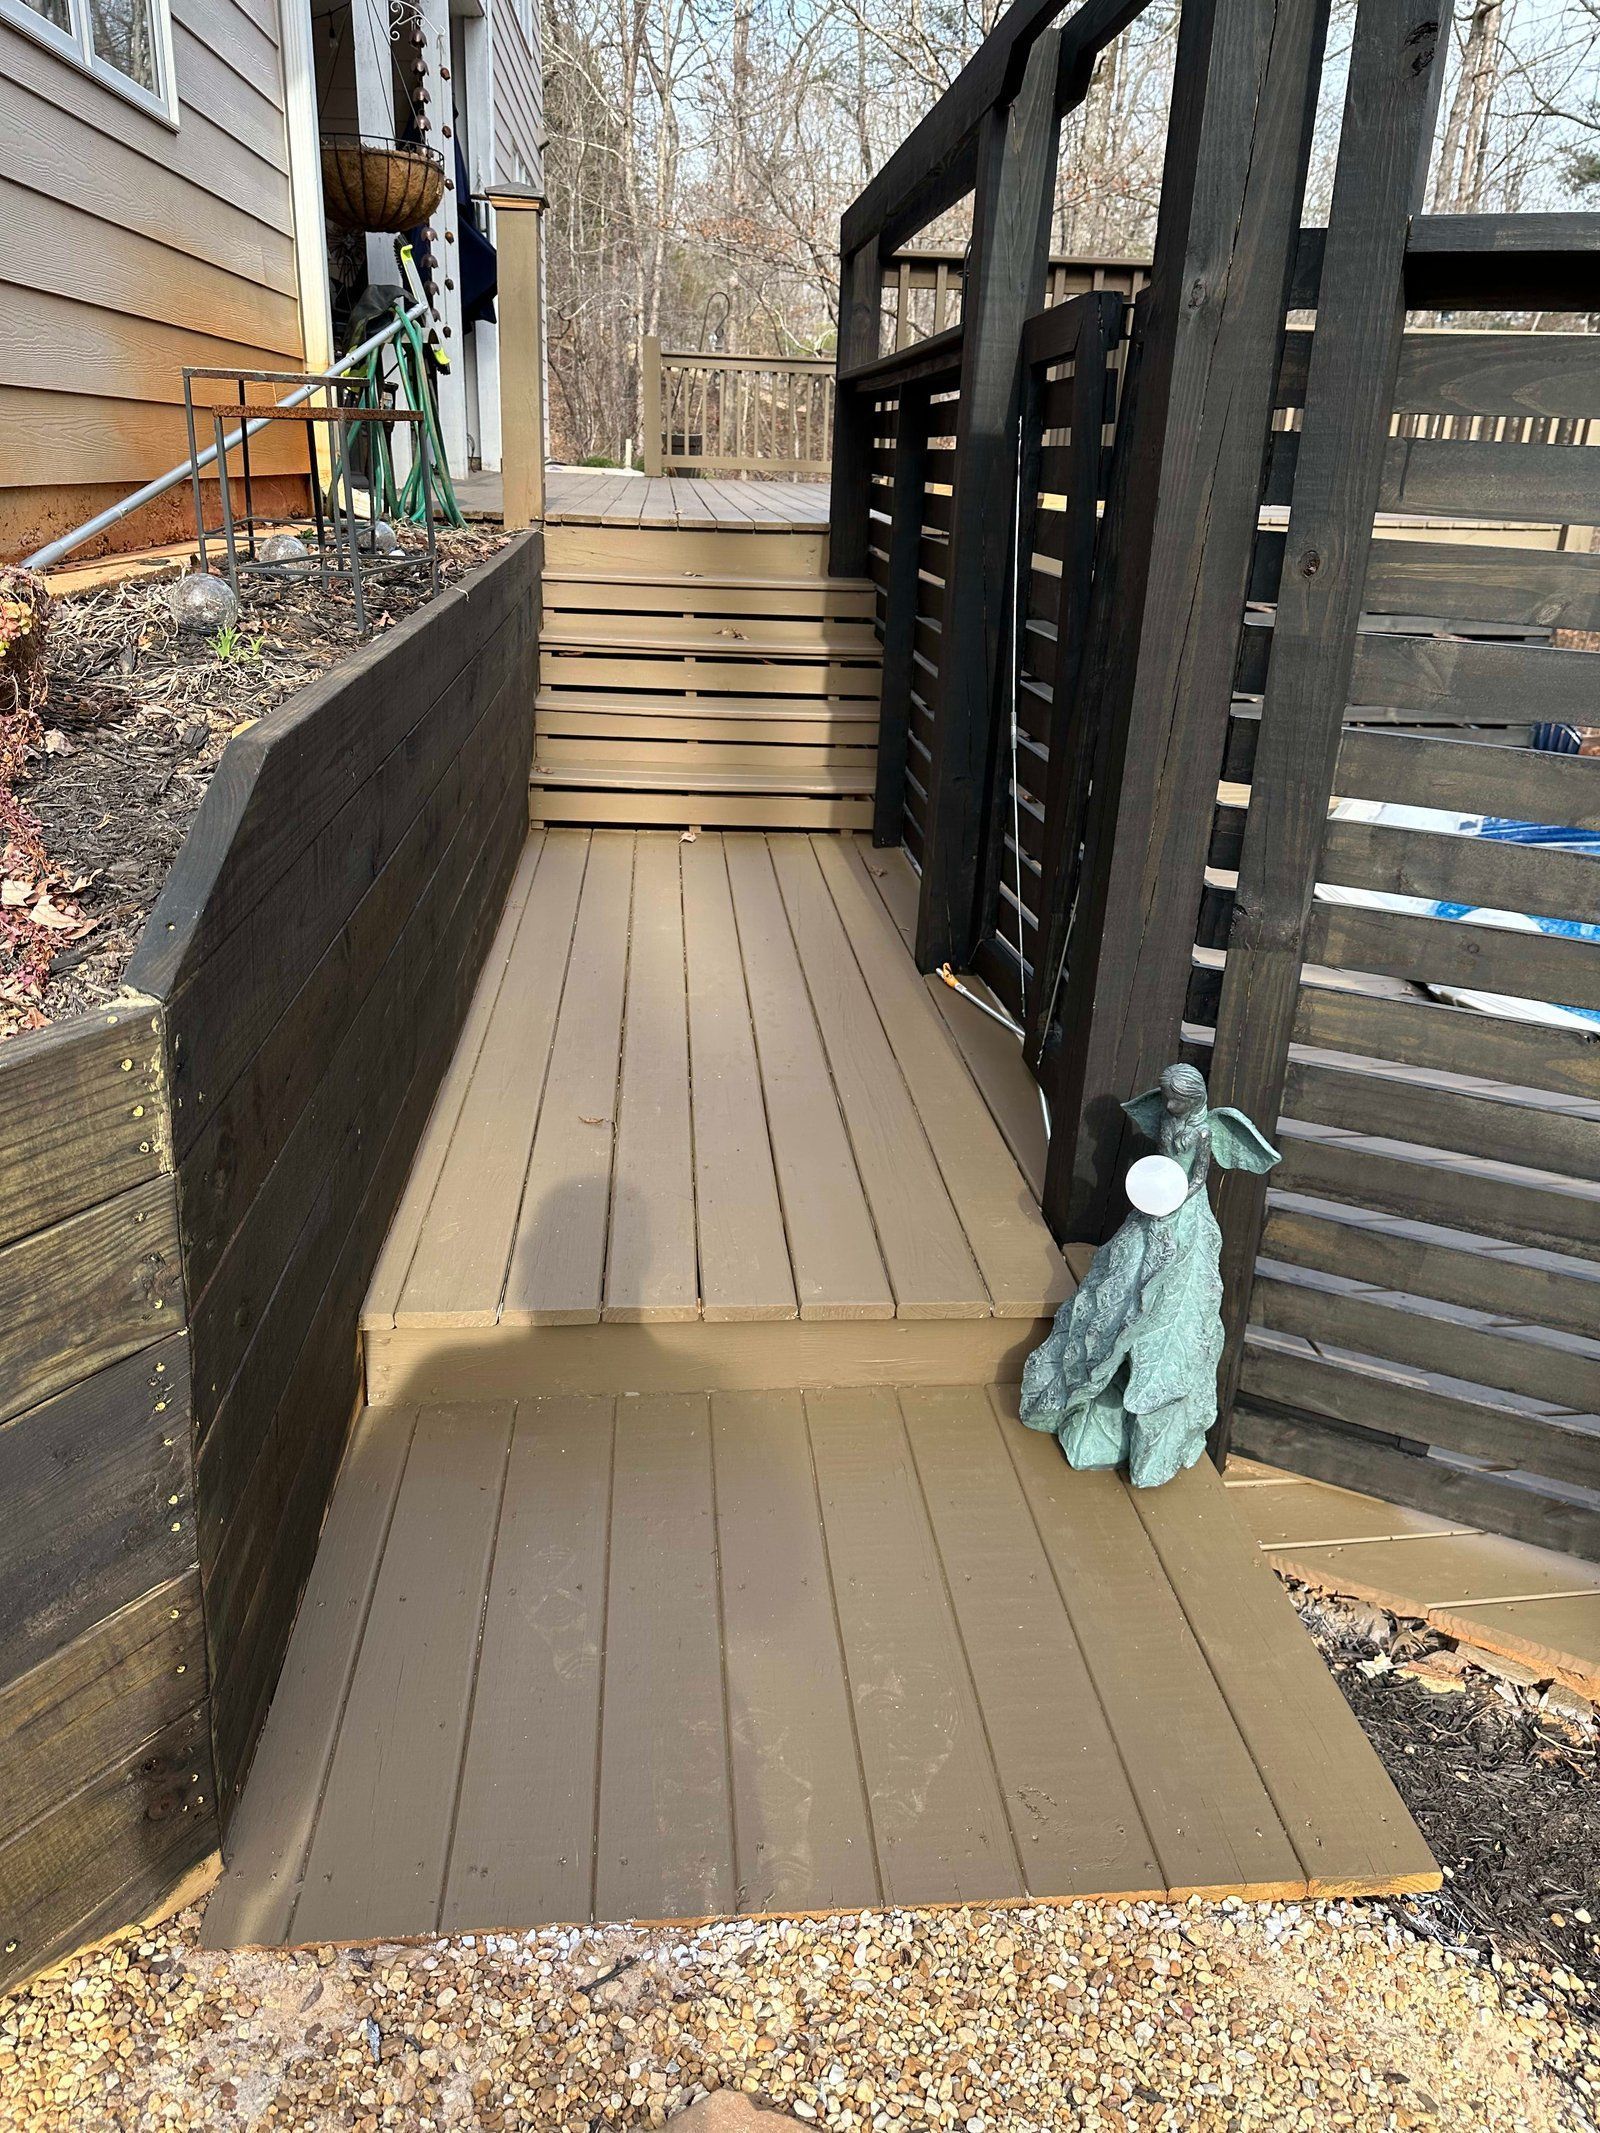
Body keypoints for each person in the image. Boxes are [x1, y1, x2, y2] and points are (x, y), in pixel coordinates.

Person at [1020, 1063, 1280, 1488]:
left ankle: (1152, 1430)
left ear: (1194, 1097)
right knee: (1119, 1285)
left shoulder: (1203, 1133)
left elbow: (1197, 1178)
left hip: (1182, 1214)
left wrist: (1172, 1197)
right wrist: (1153, 1189)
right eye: (1166, 1097)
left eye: (1176, 1098)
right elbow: (1161, 1159)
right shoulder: (1167, 1120)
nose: (1169, 1105)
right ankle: (1086, 1400)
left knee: (1172, 1301)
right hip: (1152, 1208)